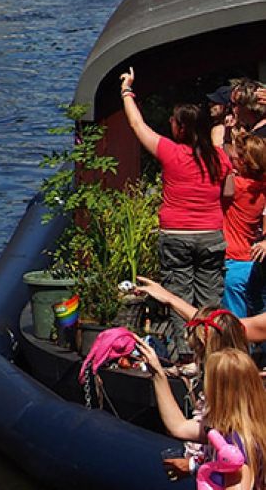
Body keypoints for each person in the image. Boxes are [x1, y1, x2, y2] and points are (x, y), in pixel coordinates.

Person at [122, 68, 230, 335]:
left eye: (173, 120)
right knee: (210, 299)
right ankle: (209, 351)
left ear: (180, 127)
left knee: (178, 297)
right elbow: (229, 193)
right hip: (210, 234)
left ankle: (185, 354)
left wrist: (127, 90)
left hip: (176, 234)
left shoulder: (171, 153)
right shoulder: (219, 158)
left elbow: (138, 125)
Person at [135, 342, 266, 487]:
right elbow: (178, 426)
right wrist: (158, 373)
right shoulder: (228, 428)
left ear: (219, 392)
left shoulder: (235, 444)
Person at [220, 134, 266, 318]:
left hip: (232, 260)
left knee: (236, 323)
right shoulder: (261, 186)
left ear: (244, 163)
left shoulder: (237, 188)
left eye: (235, 158)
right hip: (250, 260)